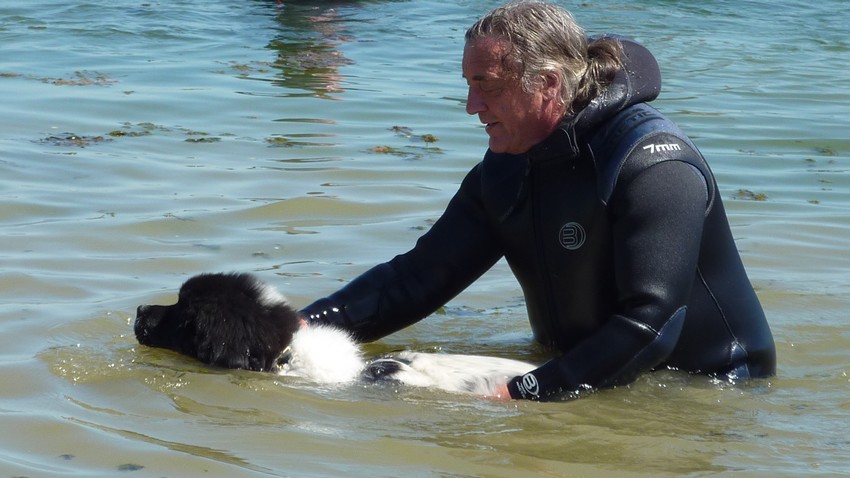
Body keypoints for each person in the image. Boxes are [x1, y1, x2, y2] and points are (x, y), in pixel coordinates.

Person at [301, 0, 776, 401]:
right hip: (583, 371)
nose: (471, 106)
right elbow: (418, 277)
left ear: (548, 83)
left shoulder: (651, 164)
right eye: (468, 85)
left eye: (486, 85)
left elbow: (651, 324)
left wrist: (524, 391)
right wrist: (300, 327)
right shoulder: (508, 166)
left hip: (708, 391)